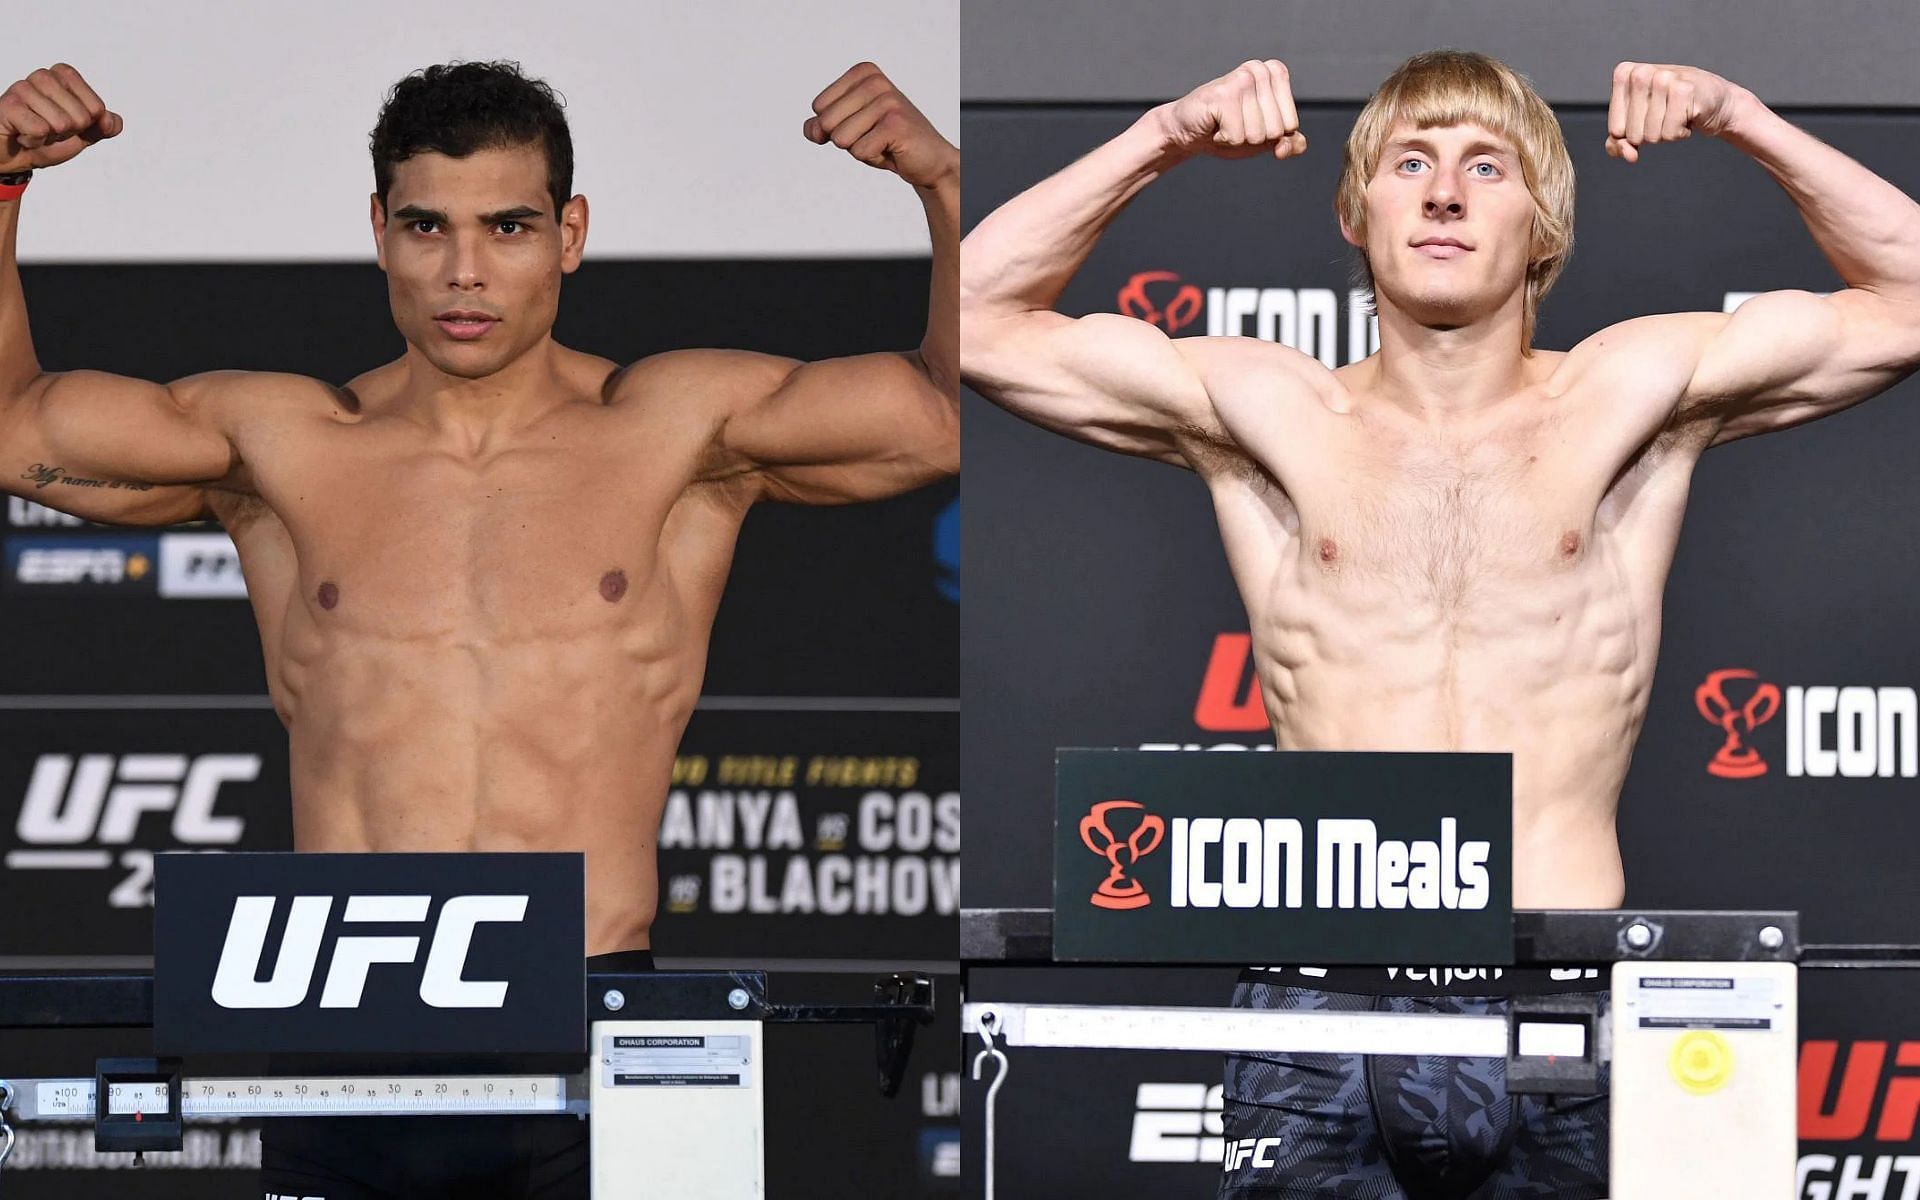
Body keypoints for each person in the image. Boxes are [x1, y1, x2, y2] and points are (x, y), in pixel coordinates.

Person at [960, 49, 1920, 1198]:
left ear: (1544, 225)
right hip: (1323, 982)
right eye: (1408, 164)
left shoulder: (1633, 398)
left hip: (1559, 974)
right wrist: (1163, 133)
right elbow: (968, 317)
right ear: (1359, 216)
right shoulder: (1269, 411)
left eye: (1486, 166)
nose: (1445, 193)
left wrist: (1744, 118)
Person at [0, 57, 957, 1198]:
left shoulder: (680, 431)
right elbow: (16, 432)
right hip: (344, 1015)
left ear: (570, 232)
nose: (464, 271)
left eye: (508, 225)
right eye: (426, 227)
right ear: (379, 232)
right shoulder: (282, 444)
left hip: (608, 1012)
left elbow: (945, 414)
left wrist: (944, 185)